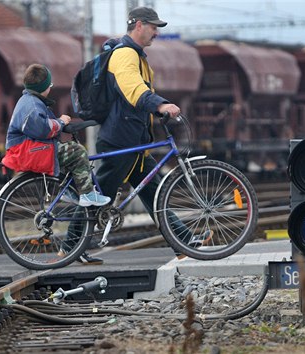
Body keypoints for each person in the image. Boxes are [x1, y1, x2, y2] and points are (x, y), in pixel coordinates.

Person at [78, 7, 212, 265]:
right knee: (98, 194)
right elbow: (133, 88)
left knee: (155, 192)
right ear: (139, 25)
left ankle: (183, 242)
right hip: (121, 139)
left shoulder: (137, 55)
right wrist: (160, 104)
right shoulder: (125, 54)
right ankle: (68, 247)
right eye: (153, 27)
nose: (157, 32)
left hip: (134, 140)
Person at [2, 63, 111, 208]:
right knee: (77, 152)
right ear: (44, 88)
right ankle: (87, 194)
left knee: (65, 152)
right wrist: (60, 122)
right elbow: (42, 129)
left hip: (26, 149)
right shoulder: (33, 105)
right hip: (27, 152)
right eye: (50, 85)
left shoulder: (28, 101)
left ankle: (68, 191)